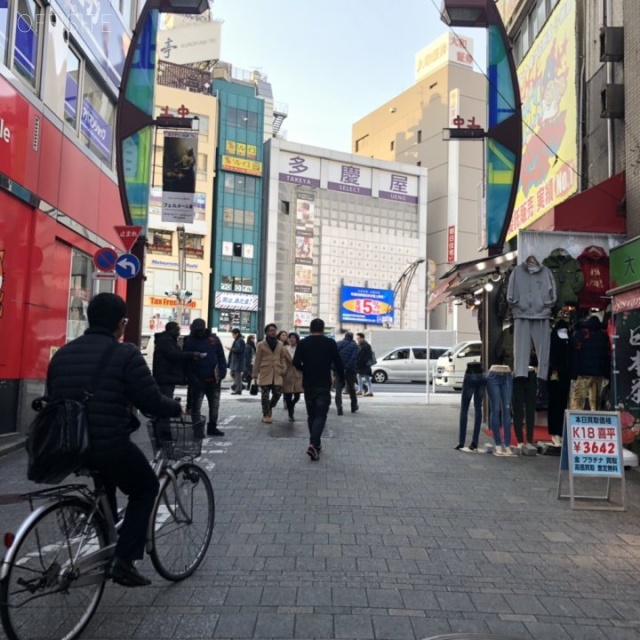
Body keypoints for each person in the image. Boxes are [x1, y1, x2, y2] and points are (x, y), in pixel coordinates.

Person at [46, 293, 181, 587]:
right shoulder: (125, 354)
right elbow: (150, 401)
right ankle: (124, 561)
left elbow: (51, 398)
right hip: (107, 443)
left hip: (69, 446)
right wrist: (176, 407)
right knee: (145, 488)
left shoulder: (63, 354)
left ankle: (107, 540)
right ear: (121, 324)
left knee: (105, 488)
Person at [293, 318, 345, 460]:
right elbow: (338, 362)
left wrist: (306, 369)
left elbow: (295, 362)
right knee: (321, 415)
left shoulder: (303, 343)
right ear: (323, 329)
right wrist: (342, 377)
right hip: (323, 383)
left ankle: (316, 444)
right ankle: (313, 444)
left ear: (310, 329)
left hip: (308, 383)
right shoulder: (329, 343)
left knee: (312, 415)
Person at [183, 319, 227, 437]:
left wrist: (222, 373)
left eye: (200, 330)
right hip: (197, 381)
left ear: (204, 328)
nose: (199, 333)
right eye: (196, 330)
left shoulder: (214, 340)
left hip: (214, 380)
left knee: (214, 406)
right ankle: (197, 429)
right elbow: (185, 362)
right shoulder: (190, 341)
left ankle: (212, 427)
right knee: (196, 406)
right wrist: (193, 378)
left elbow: (221, 356)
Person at [152, 321, 201, 399]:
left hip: (167, 377)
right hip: (166, 377)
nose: (178, 333)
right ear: (171, 330)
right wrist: (191, 354)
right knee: (166, 400)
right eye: (177, 330)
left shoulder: (167, 340)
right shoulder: (166, 341)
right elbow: (174, 355)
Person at [252, 323, 287, 423]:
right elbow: (257, 360)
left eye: (274, 330)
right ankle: (266, 415)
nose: (273, 332)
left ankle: (270, 406)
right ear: (266, 332)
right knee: (265, 395)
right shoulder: (261, 344)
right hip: (265, 372)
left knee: (277, 394)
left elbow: (283, 358)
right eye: (271, 330)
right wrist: (255, 374)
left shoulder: (280, 344)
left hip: (277, 372)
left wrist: (284, 368)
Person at [334, 331, 359, 415]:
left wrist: (337, 367)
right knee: (351, 388)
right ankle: (353, 406)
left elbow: (334, 357)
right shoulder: (355, 346)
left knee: (338, 389)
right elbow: (353, 358)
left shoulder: (338, 344)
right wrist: (347, 367)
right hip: (350, 370)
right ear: (352, 337)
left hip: (338, 369)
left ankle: (339, 407)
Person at [282, 332, 303, 421]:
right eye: (290, 337)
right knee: (287, 395)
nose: (292, 339)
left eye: (294, 337)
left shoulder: (300, 349)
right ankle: (291, 413)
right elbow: (282, 360)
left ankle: (292, 406)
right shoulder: (285, 349)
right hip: (287, 374)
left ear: (297, 339)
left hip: (298, 373)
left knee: (297, 395)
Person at [226, 328, 246, 395]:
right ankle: (240, 386)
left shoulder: (240, 340)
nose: (232, 336)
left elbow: (239, 350)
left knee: (237, 375)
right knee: (233, 374)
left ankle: (238, 389)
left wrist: (231, 349)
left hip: (238, 361)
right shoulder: (238, 340)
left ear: (237, 333)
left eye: (233, 334)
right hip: (235, 361)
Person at [355, 332, 374, 397]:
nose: (357, 339)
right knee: (359, 376)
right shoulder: (360, 345)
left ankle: (370, 391)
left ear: (362, 338)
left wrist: (362, 361)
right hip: (361, 364)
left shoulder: (366, 345)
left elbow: (368, 355)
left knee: (367, 377)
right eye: (357, 338)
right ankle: (360, 390)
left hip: (364, 364)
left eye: (358, 338)